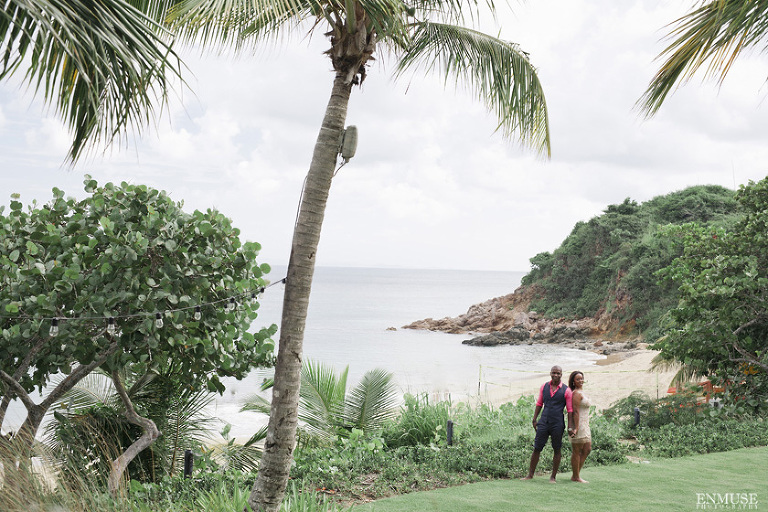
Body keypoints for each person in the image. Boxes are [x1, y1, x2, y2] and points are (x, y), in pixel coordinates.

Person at [521, 365, 574, 483]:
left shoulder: (566, 390)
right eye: (554, 373)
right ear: (550, 373)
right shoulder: (544, 387)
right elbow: (539, 403)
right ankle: (530, 475)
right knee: (537, 448)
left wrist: (570, 427)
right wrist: (534, 419)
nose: (556, 375)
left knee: (557, 449)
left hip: (557, 423)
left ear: (561, 375)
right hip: (544, 421)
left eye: (558, 373)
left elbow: (570, 411)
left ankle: (553, 477)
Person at [568, 370, 592, 483]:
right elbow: (575, 412)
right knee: (577, 451)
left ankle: (575, 474)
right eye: (578, 379)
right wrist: (575, 428)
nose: (580, 381)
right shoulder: (576, 394)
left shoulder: (581, 391)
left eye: (581, 378)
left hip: (585, 424)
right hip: (579, 424)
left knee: (587, 449)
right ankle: (576, 476)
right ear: (573, 381)